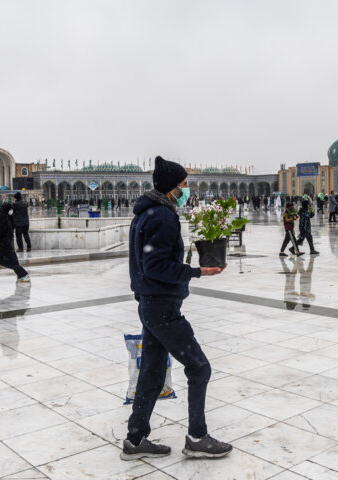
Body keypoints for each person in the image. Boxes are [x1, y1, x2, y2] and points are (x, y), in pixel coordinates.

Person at [123, 156, 231, 461]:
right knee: (199, 367)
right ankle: (197, 437)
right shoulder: (162, 216)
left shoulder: (144, 214)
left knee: (153, 374)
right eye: (183, 185)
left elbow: (141, 265)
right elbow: (156, 265)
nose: (186, 190)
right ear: (172, 187)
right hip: (162, 307)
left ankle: (135, 440)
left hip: (150, 302)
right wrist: (197, 272)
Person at [0, 203, 31, 284]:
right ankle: (22, 275)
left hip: (4, 243)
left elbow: (12, 225)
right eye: (10, 209)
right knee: (14, 261)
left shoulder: (5, 217)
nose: (12, 211)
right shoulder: (3, 220)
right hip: (6, 244)